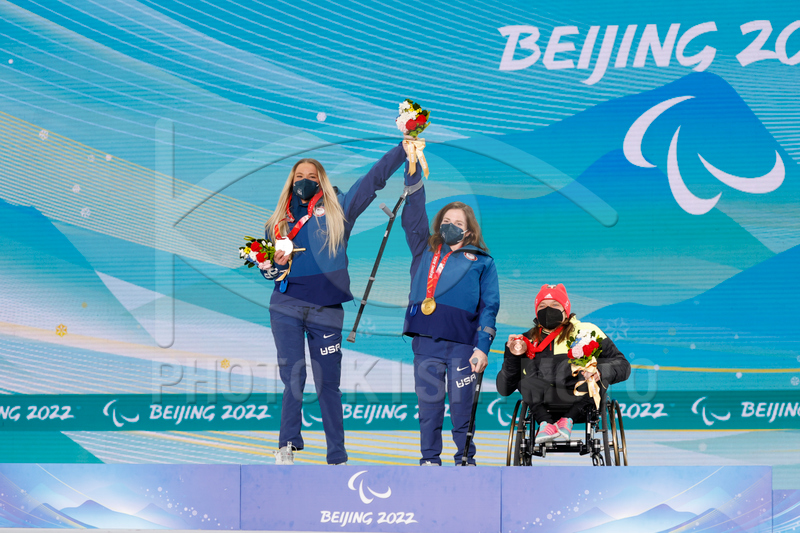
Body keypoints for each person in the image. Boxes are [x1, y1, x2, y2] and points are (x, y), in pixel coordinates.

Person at [261, 142, 406, 465]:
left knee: (328, 383)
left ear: (322, 181)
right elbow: (270, 272)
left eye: (312, 176)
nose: (305, 181)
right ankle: (287, 444)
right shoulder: (276, 223)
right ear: (291, 181)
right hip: (285, 305)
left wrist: (403, 148)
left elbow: (373, 179)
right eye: (300, 176)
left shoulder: (339, 209)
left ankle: (337, 455)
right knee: (293, 376)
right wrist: (271, 266)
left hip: (326, 309)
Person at [400, 159, 500, 465]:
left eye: (458, 223)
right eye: (446, 220)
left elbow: (489, 307)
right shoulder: (424, 249)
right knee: (428, 407)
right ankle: (430, 460)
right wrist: (413, 168)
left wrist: (482, 348)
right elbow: (414, 211)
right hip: (426, 342)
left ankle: (465, 461)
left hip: (463, 345)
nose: (451, 226)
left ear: (468, 232)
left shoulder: (483, 261)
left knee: (461, 407)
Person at [496, 284, 630, 443]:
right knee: (525, 381)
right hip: (545, 402)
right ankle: (546, 424)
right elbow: (504, 388)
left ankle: (568, 420)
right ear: (536, 311)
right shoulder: (526, 340)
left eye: (555, 305)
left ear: (566, 310)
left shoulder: (587, 331)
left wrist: (599, 371)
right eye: (542, 306)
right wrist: (512, 354)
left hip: (581, 400)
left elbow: (623, 365)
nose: (548, 310)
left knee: (597, 377)